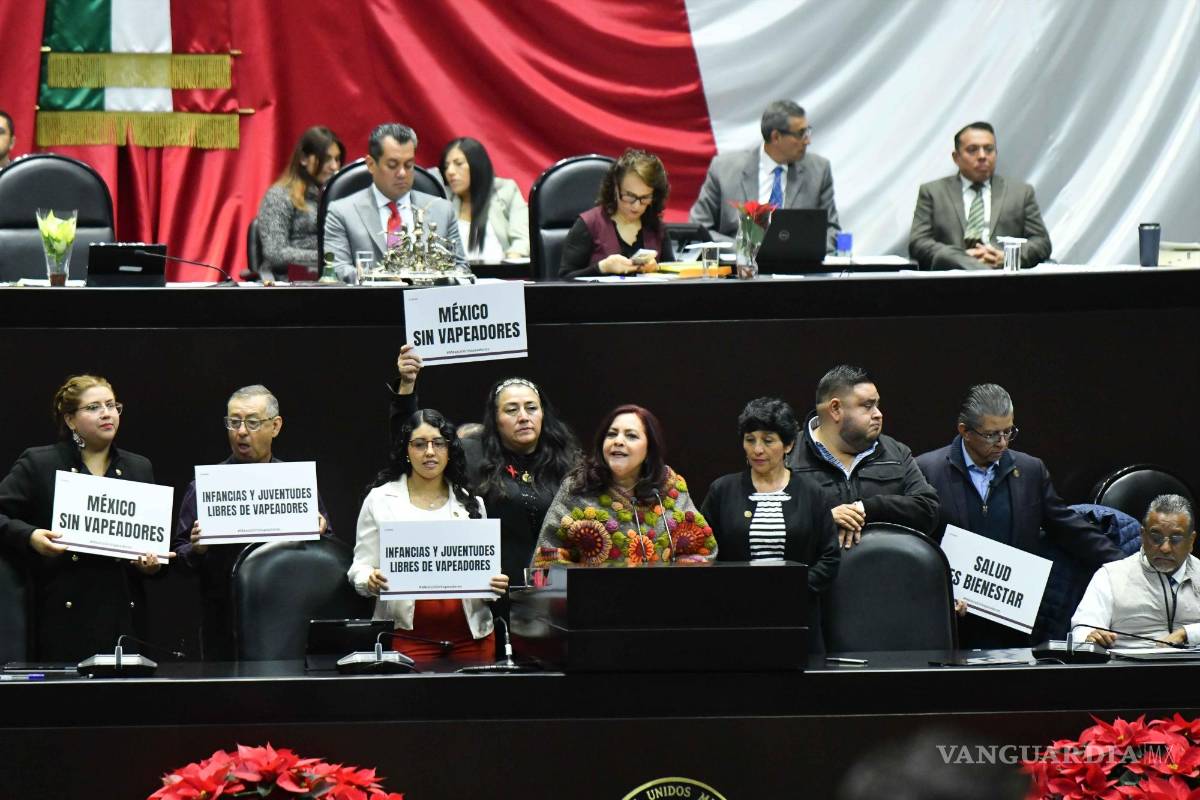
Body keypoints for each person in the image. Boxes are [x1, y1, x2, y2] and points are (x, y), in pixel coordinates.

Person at [915, 383, 1122, 648]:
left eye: (1008, 431)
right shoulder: (927, 471)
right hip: (952, 619)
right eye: (991, 435)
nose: (1002, 443)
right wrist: (938, 593)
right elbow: (918, 545)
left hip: (1013, 622)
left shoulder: (1030, 470)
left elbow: (1067, 528)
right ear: (964, 431)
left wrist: (1125, 566)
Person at [0, 375, 165, 662]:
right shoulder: (40, 464)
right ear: (70, 420)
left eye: (112, 405)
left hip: (124, 622)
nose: (106, 413)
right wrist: (30, 536)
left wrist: (151, 565)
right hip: (62, 621)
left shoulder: (139, 468)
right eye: (93, 407)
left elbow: (154, 549)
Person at [386, 347, 579, 586]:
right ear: (495, 418)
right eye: (511, 410)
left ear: (542, 414)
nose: (523, 416)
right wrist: (406, 387)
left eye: (531, 408)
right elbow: (412, 444)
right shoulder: (472, 453)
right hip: (493, 593)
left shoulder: (568, 461)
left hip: (555, 591)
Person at [172, 384, 332, 660]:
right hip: (225, 626)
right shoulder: (205, 487)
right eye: (234, 422)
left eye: (253, 422)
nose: (241, 431)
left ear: (276, 426)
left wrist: (320, 533)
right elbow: (179, 555)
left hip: (286, 620)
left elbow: (328, 551)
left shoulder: (296, 484)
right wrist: (197, 549)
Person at [348, 409, 508, 664]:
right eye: (420, 444)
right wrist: (370, 579)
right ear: (406, 451)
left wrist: (495, 584)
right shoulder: (380, 500)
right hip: (408, 637)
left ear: (449, 449)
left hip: (473, 637)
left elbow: (487, 571)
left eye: (438, 443)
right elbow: (359, 567)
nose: (430, 452)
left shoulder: (471, 502)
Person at [701, 397, 839, 651]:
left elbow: (830, 557)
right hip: (736, 618)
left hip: (799, 617)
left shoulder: (813, 493)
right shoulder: (722, 490)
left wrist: (790, 588)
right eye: (750, 439)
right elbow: (703, 553)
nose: (757, 449)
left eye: (768, 440)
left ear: (788, 445)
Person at [532, 404, 716, 567]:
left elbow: (702, 551)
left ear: (649, 448)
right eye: (611, 434)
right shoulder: (578, 487)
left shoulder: (670, 487)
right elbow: (547, 559)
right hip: (592, 602)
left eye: (631, 436)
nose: (618, 441)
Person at [788, 365, 939, 548]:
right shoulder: (788, 456)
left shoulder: (896, 452)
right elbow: (757, 524)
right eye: (868, 406)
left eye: (877, 405)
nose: (878, 414)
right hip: (815, 574)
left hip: (883, 571)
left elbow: (928, 510)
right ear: (835, 409)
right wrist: (822, 519)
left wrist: (867, 508)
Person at [689, 99, 840, 251]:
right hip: (740, 269)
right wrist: (744, 249)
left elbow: (832, 232)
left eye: (807, 132)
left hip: (798, 269)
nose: (808, 140)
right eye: (801, 134)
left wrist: (797, 249)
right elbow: (699, 229)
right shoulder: (724, 171)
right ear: (776, 137)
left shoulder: (819, 171)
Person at [324, 123, 466, 279]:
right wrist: (385, 279)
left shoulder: (442, 210)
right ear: (371, 165)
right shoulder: (342, 211)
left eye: (409, 165)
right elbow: (336, 269)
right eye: (392, 165)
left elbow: (461, 269)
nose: (402, 173)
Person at [908, 121, 1052, 269]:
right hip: (952, 279)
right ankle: (980, 270)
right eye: (972, 150)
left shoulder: (1020, 193)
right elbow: (919, 242)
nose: (982, 156)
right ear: (956, 157)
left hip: (1005, 278)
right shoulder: (933, 192)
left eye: (989, 149)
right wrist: (962, 258)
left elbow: (1041, 242)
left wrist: (1008, 257)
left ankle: (983, 273)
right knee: (945, 255)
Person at [1072, 494, 1200, 647]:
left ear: (1191, 541)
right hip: (1129, 669)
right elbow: (1082, 630)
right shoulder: (1111, 576)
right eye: (1156, 537)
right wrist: (1090, 637)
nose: (1165, 548)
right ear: (1143, 535)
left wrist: (1187, 633)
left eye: (1176, 538)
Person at [558, 148, 674, 279]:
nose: (636, 206)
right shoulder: (589, 224)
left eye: (644, 198)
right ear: (615, 189)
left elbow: (673, 277)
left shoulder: (657, 228)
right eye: (630, 196)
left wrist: (657, 268)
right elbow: (564, 280)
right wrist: (602, 268)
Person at [254, 125, 344, 283]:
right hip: (290, 283)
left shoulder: (339, 198)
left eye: (337, 159)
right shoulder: (279, 196)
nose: (334, 167)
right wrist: (328, 257)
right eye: (326, 159)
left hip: (337, 279)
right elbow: (275, 252)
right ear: (303, 159)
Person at [440, 137, 529, 260]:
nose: (450, 171)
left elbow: (523, 239)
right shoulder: (444, 198)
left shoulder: (506, 191)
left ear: (477, 165)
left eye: (458, 163)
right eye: (446, 166)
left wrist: (511, 261)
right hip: (457, 276)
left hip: (501, 274)